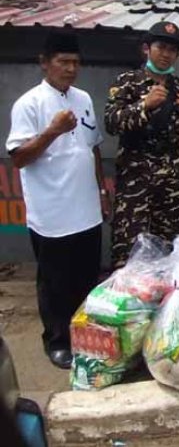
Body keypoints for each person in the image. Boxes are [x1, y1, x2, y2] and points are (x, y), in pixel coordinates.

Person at [5, 32, 109, 369]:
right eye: (63, 62)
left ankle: (84, 336)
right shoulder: (29, 103)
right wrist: (52, 131)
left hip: (87, 208)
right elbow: (19, 157)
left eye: (76, 63)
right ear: (44, 63)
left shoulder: (82, 98)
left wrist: (102, 192)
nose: (70, 69)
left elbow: (92, 147)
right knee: (54, 283)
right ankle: (58, 341)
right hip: (52, 213)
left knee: (85, 278)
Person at [104, 21, 179, 268]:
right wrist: (144, 105)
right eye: (161, 47)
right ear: (147, 48)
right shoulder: (128, 82)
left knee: (171, 252)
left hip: (172, 185)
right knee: (130, 253)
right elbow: (112, 122)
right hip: (137, 183)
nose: (166, 55)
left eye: (172, 50)